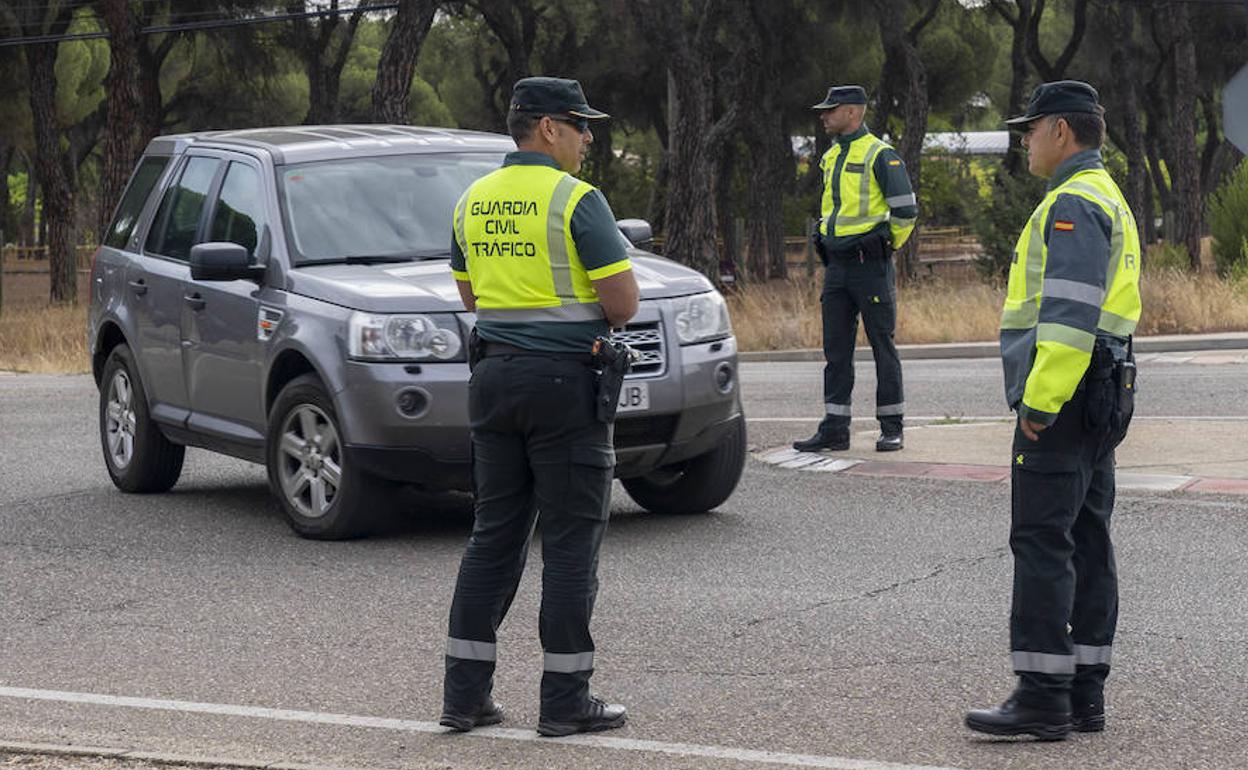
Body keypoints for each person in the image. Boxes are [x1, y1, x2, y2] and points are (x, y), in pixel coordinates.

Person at [440, 76, 639, 738]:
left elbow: (471, 299)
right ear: (548, 128)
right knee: (571, 542)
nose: (588, 137)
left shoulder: (472, 200)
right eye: (581, 125)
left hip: (493, 379)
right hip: (564, 386)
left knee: (493, 537)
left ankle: (464, 698)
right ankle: (564, 702)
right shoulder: (576, 199)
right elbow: (622, 304)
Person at [965, 80, 1141, 740]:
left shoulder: (1070, 203)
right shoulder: (1107, 195)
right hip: (1103, 391)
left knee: (1044, 540)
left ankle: (1042, 695)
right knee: (1088, 536)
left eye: (1030, 130)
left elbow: (1067, 316)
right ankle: (1083, 694)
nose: (1025, 141)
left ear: (1060, 133)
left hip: (1065, 396)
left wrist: (1039, 401)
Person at [794, 85, 917, 454]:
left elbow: (906, 212)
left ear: (852, 112)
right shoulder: (832, 155)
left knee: (882, 346)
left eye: (830, 110)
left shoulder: (881, 154)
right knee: (836, 351)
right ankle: (835, 428)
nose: (823, 115)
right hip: (837, 269)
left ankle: (892, 427)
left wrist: (885, 247)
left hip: (870, 267)